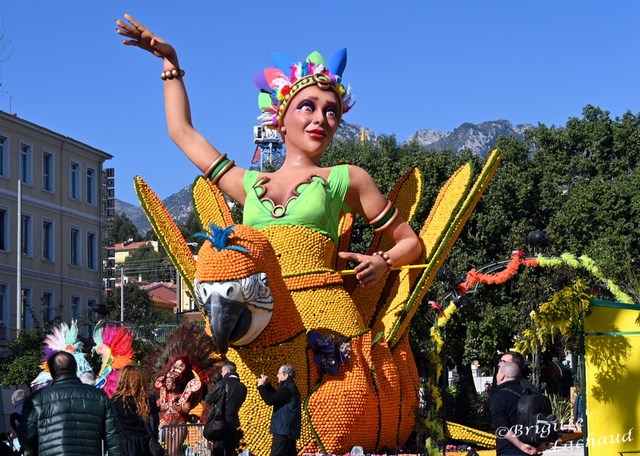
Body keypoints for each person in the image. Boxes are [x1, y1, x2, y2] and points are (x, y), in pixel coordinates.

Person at [115, 14, 421, 289]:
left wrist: (383, 261)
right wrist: (170, 63)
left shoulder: (346, 178)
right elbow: (182, 132)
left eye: (331, 112)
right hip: (260, 316)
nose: (321, 119)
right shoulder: (250, 184)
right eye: (307, 107)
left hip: (323, 317)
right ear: (281, 120)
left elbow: (410, 242)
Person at [17, 350, 126, 456]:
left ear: (51, 372)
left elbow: (26, 436)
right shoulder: (99, 396)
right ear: (75, 368)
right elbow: (115, 439)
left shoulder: (37, 399)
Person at [490, 361, 548, 456]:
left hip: (510, 450)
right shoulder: (530, 392)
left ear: (501, 376)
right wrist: (541, 444)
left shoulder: (499, 396)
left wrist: (521, 445)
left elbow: (501, 426)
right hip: (534, 449)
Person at [155, 356, 203, 456]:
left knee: (174, 452)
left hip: (180, 427)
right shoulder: (165, 397)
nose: (167, 384)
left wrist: (179, 409)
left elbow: (187, 409)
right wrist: (162, 408)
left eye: (169, 382)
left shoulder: (183, 396)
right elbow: (156, 407)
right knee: (170, 453)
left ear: (175, 383)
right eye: (166, 382)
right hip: (167, 428)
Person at [112, 365, 161, 456]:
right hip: (144, 442)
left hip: (123, 441)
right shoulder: (148, 399)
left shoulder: (116, 400)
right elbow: (154, 422)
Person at [205, 361, 248, 456]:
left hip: (220, 422)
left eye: (222, 371)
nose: (221, 373)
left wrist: (216, 384)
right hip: (233, 423)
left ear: (227, 371)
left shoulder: (222, 383)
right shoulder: (243, 387)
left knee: (219, 450)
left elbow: (209, 398)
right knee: (230, 450)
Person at [257, 364, 301, 456]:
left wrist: (261, 386)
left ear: (286, 375)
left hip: (283, 431)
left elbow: (269, 400)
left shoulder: (287, 389)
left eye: (279, 373)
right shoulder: (289, 387)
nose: (277, 375)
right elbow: (277, 397)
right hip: (288, 431)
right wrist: (267, 385)